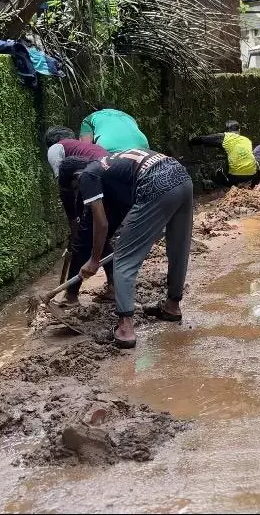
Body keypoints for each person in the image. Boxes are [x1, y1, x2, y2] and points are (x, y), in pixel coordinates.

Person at [59, 149, 194, 349]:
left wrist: (94, 260)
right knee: (178, 247)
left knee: (123, 258)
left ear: (76, 177)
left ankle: (125, 327)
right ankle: (172, 306)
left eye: (76, 188)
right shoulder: (111, 163)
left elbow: (101, 223)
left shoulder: (87, 174)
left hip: (155, 183)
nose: (80, 193)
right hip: (181, 177)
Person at [45, 126, 113, 306]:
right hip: (110, 175)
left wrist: (73, 224)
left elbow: (65, 188)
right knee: (97, 233)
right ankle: (114, 287)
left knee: (82, 240)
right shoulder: (83, 146)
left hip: (95, 175)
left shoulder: (55, 149)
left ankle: (71, 295)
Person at [189, 121, 260, 188]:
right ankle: (254, 184)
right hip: (252, 175)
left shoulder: (224, 137)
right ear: (239, 130)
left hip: (234, 178)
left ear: (227, 131)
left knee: (216, 174)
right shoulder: (246, 140)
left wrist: (192, 140)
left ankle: (230, 185)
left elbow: (203, 139)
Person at [79, 107, 150, 153]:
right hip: (143, 147)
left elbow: (85, 147)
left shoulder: (89, 118)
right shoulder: (128, 117)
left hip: (111, 150)